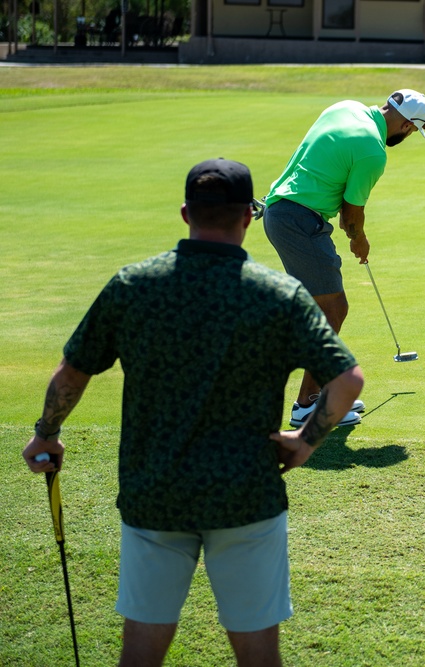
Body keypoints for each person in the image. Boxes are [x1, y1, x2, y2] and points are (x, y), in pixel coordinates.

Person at [22, 158, 365, 667]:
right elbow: (347, 381)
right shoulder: (279, 295)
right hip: (247, 496)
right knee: (258, 654)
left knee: (141, 648)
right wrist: (305, 441)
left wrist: (46, 433)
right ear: (249, 217)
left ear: (186, 213)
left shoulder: (135, 285)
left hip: (154, 493)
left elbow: (72, 374)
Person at [262, 89, 425, 428]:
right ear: (404, 123)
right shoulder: (373, 150)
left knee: (323, 309)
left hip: (281, 210)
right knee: (333, 309)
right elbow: (351, 217)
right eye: (413, 129)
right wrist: (360, 241)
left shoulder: (345, 107)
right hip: (300, 221)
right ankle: (307, 405)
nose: (410, 135)